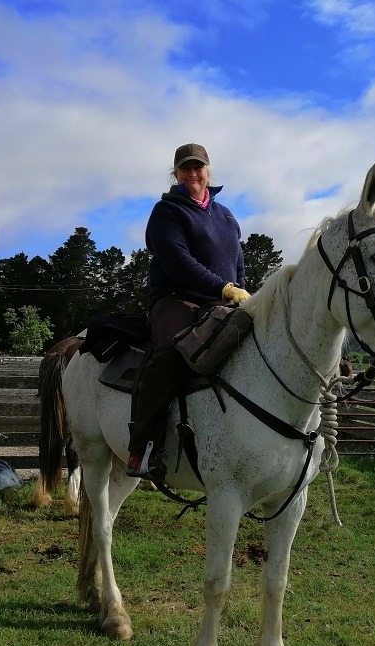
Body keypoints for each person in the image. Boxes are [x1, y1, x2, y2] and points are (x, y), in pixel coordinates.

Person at [127, 143, 250, 478]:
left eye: (198, 167)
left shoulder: (226, 215)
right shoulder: (166, 212)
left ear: (209, 172)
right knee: (170, 352)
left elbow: (237, 262)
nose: (192, 174)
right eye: (185, 168)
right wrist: (222, 288)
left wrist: (239, 290)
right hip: (175, 298)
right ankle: (142, 450)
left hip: (219, 302)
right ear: (176, 174)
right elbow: (178, 262)